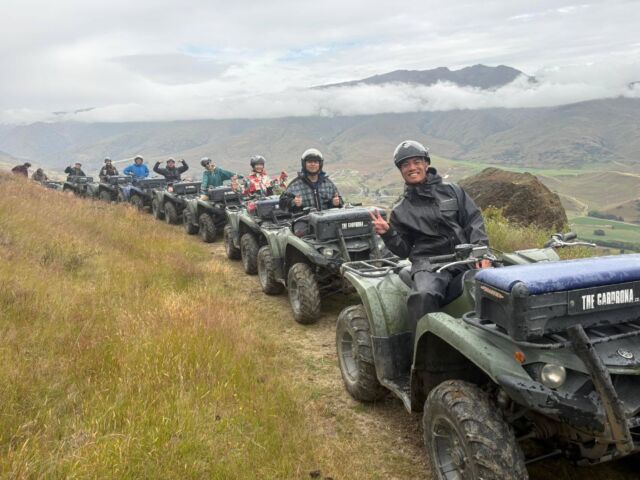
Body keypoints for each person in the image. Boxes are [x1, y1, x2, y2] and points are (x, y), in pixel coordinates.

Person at [370, 140, 489, 339]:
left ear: (426, 163)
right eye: (405, 165)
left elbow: (473, 221)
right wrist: (388, 233)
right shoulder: (400, 210)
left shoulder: (453, 191)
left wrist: (481, 251)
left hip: (466, 256)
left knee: (504, 282)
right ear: (401, 170)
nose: (412, 168)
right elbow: (403, 250)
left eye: (417, 162)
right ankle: (423, 352)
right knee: (423, 296)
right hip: (429, 265)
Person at [280, 148, 342, 212]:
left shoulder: (328, 183)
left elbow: (339, 201)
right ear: (304, 164)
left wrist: (335, 203)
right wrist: (293, 202)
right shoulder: (295, 185)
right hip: (305, 218)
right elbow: (282, 203)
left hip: (327, 218)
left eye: (316, 162)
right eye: (309, 162)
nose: (313, 164)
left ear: (320, 164)